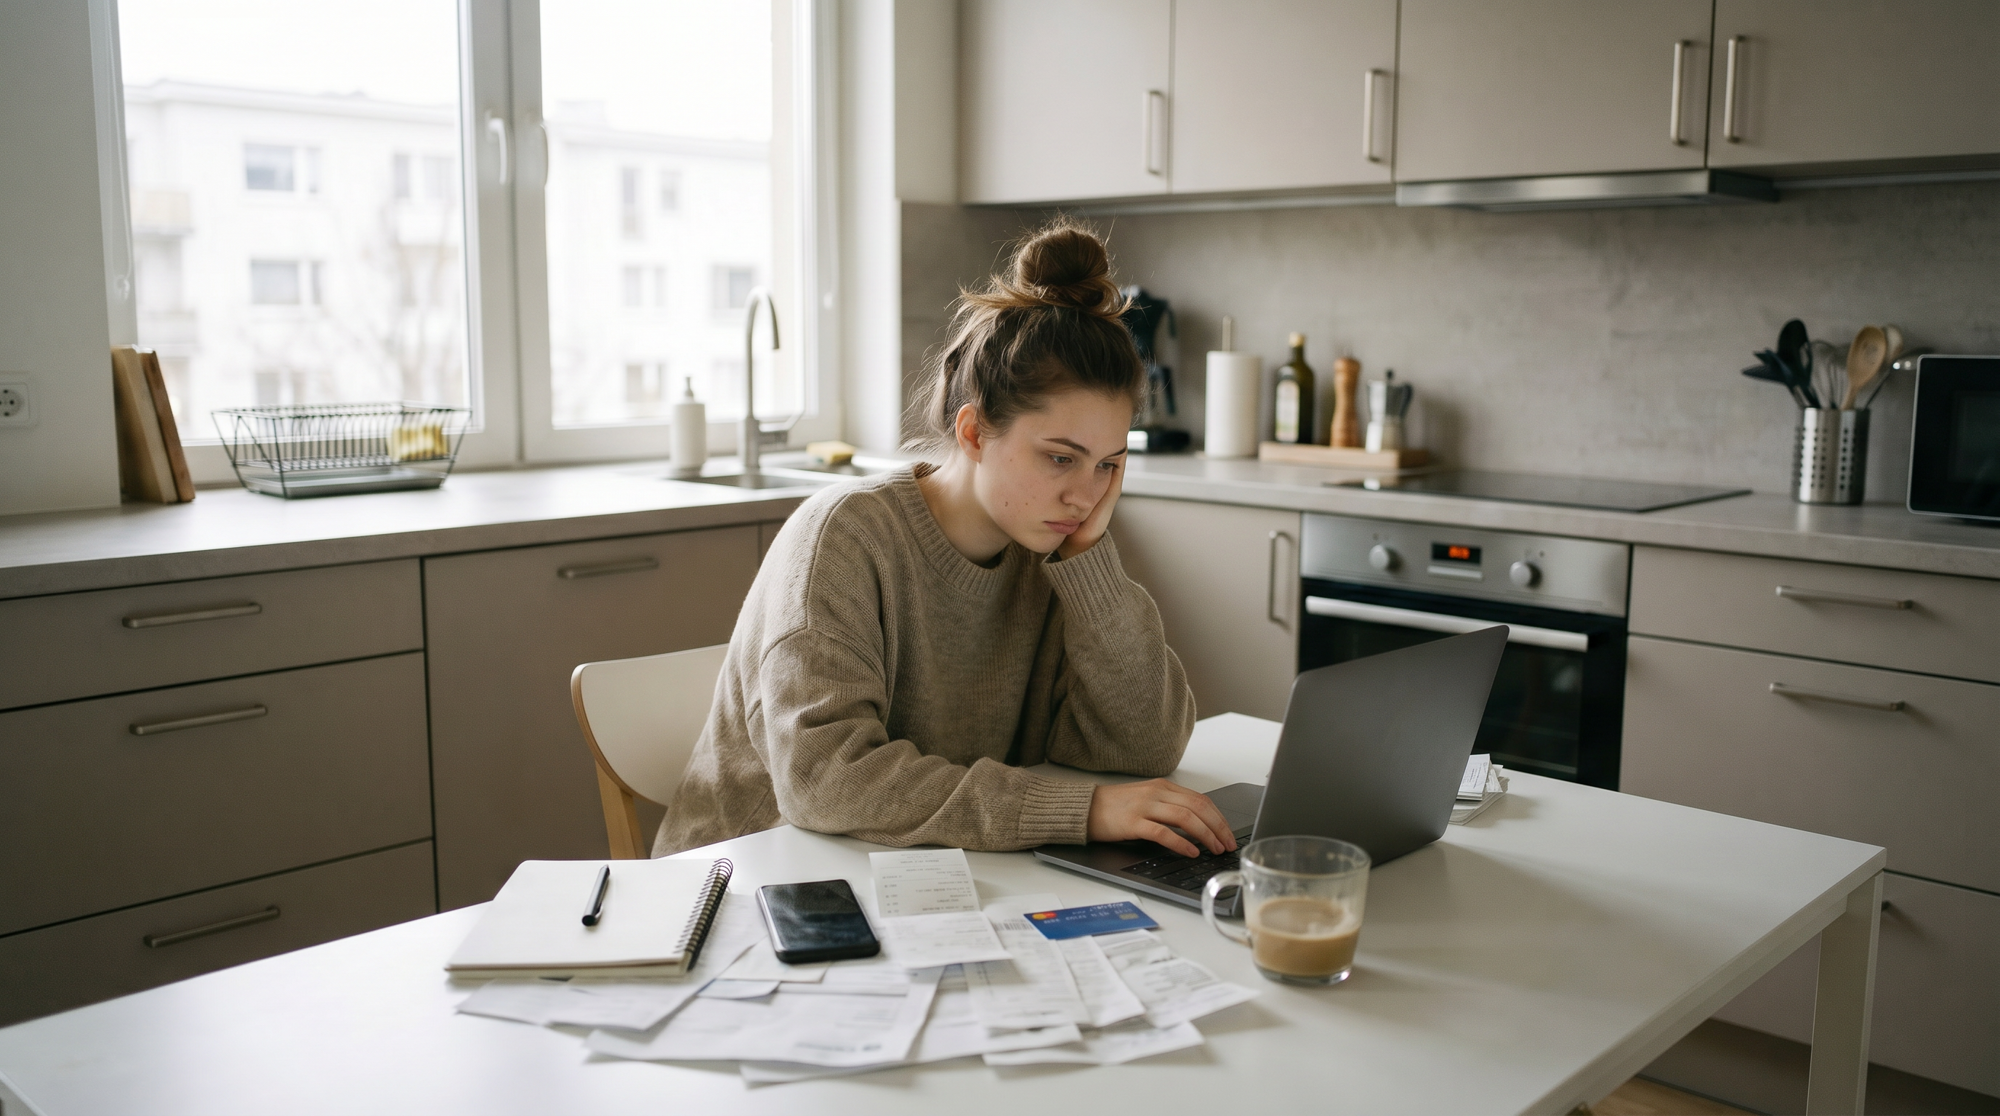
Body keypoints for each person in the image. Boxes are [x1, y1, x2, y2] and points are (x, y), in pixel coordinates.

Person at [655, 218, 1235, 861]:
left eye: (1107, 464)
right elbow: (825, 781)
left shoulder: (1056, 544)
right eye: (1059, 458)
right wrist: (1081, 811)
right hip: (753, 886)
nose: (1086, 495)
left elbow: (1143, 748)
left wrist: (1089, 561)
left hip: (926, 874)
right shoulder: (843, 540)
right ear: (974, 432)